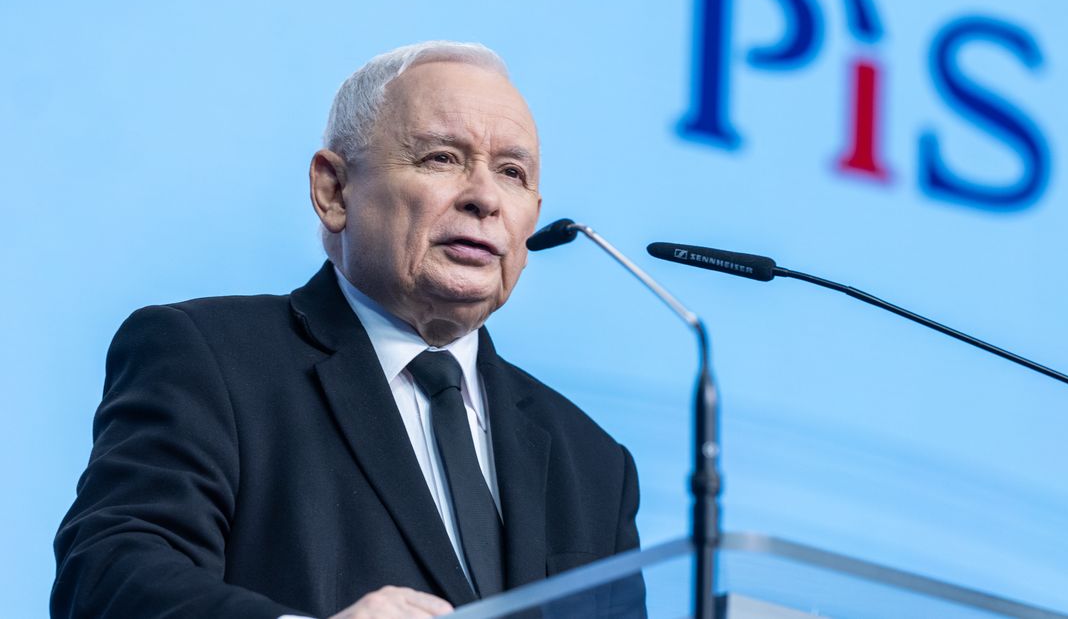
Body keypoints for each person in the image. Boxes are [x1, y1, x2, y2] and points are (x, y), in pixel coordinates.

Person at [52, 41, 642, 619]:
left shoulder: (594, 463)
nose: (486, 198)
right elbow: (109, 577)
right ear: (333, 191)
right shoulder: (209, 357)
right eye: (442, 158)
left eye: (513, 172)